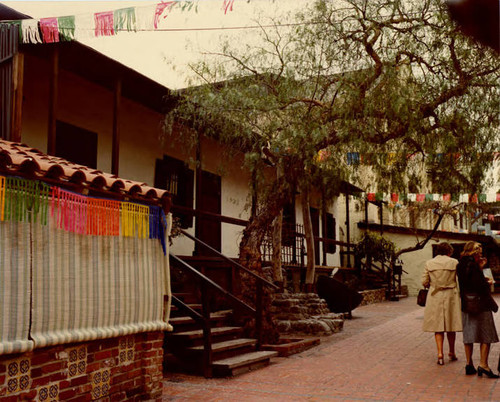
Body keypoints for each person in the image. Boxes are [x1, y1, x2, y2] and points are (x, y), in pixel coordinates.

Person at [457, 241, 499, 378]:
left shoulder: (461, 264)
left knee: (469, 333)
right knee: (486, 334)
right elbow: (478, 286)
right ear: (473, 251)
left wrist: (480, 269)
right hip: (481, 304)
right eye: (478, 251)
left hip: (466, 303)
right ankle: (483, 365)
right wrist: (488, 282)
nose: (480, 254)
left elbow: (466, 283)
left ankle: (469, 364)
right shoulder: (473, 265)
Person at [422, 242, 462, 365]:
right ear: (449, 251)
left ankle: (440, 354)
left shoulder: (429, 263)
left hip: (435, 295)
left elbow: (424, 282)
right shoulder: (454, 262)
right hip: (451, 295)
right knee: (451, 325)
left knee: (437, 326)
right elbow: (458, 280)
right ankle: (452, 352)